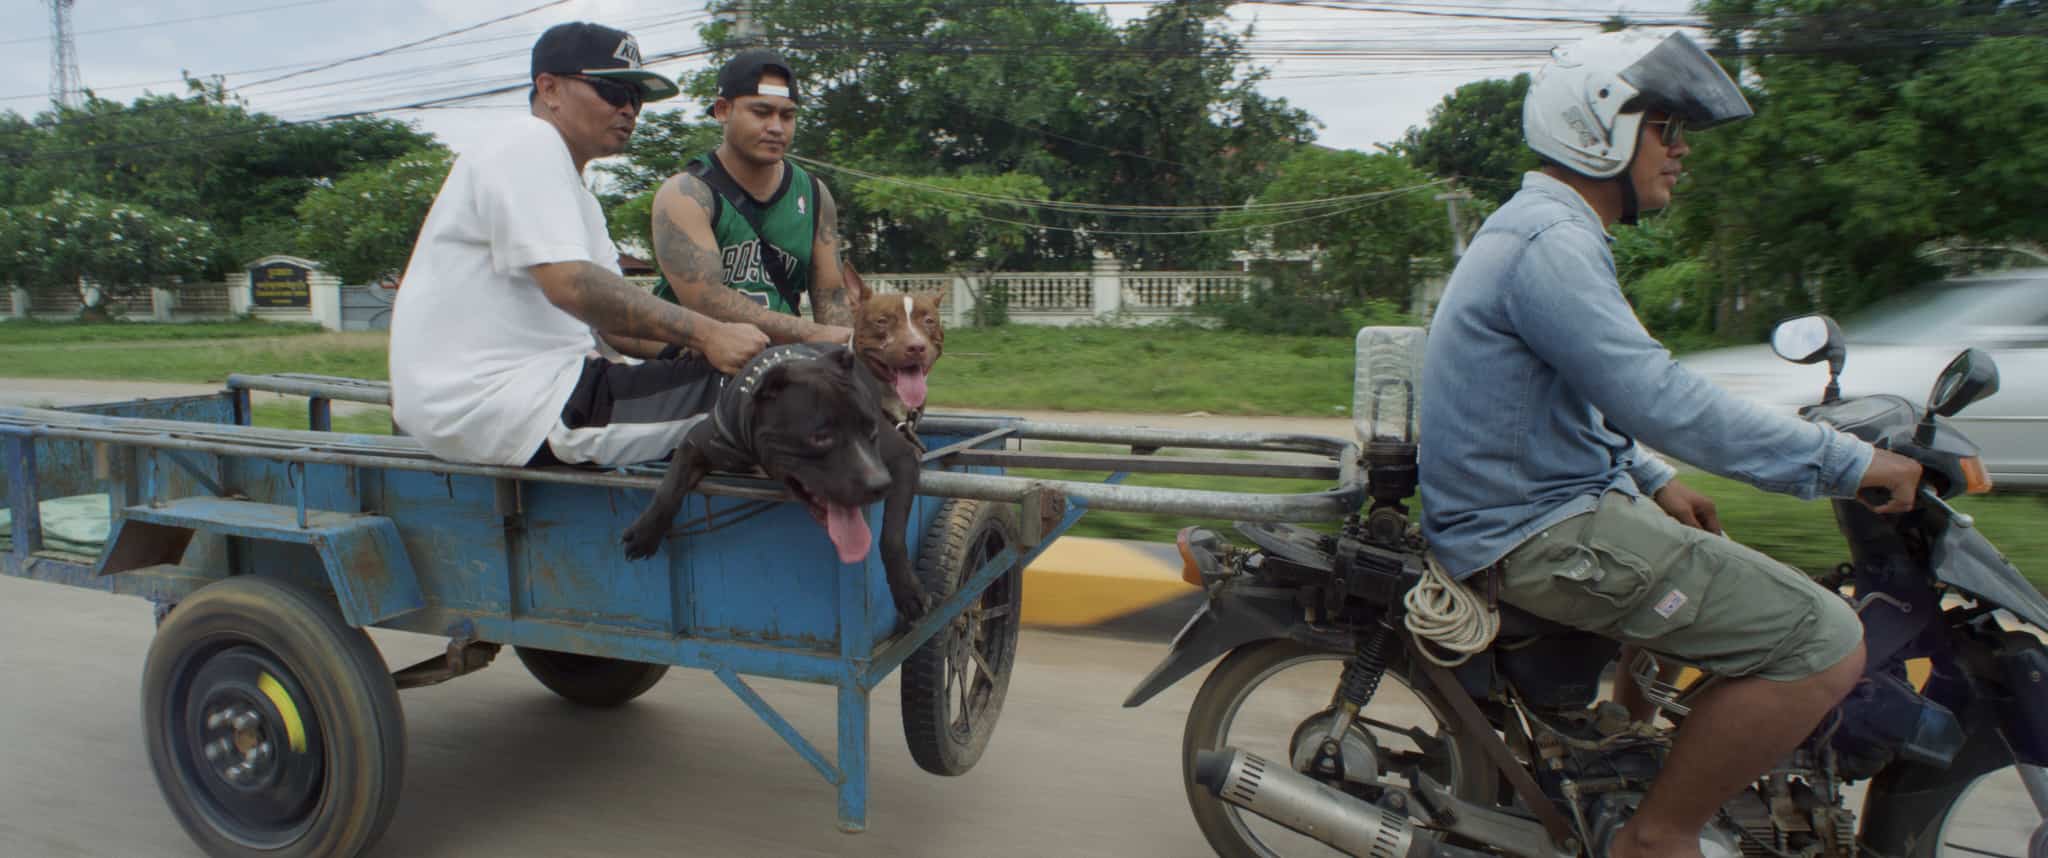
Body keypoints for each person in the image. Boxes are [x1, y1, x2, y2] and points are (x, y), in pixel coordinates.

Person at [1416, 30, 1923, 858]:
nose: (1681, 152)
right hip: (1541, 532)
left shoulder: (1553, 231)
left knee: (1715, 559)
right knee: (1824, 641)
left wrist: (1651, 478)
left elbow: (1584, 391)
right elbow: (1662, 397)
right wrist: (1850, 462)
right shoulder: (1551, 244)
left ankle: (1623, 755)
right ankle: (1658, 835)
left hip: (1549, 506)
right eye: (1666, 128)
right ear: (1599, 125)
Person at [389, 22, 768, 468]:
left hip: (532, 394)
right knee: (771, 389)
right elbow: (571, 285)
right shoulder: (526, 142)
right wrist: (711, 333)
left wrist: (700, 349)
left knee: (759, 373)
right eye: (612, 91)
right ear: (549, 88)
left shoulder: (577, 194)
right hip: (505, 403)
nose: (629, 109)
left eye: (637, 99)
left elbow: (618, 328)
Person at [604, 48, 854, 360]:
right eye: (761, 113)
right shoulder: (686, 194)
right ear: (722, 110)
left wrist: (847, 356)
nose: (776, 127)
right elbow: (705, 298)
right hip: (696, 366)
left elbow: (830, 294)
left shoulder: (814, 194)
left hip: (782, 369)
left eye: (787, 115)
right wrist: (813, 334)